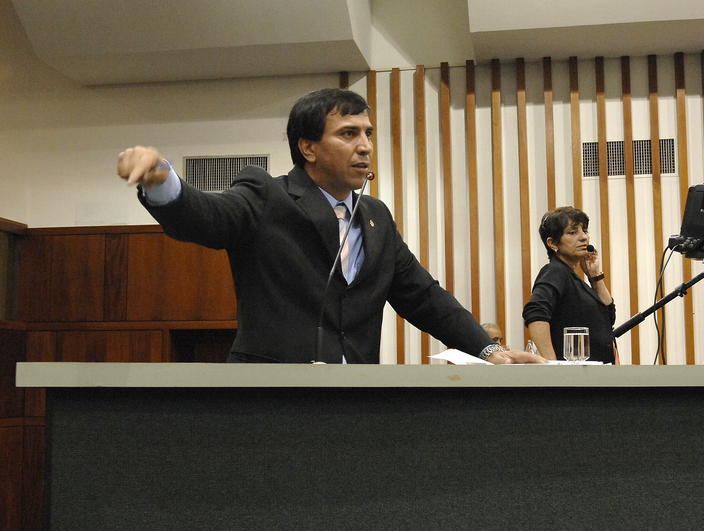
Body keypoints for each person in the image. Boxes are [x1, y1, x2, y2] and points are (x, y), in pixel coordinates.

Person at [117, 88, 546, 365]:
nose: (366, 146)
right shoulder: (267, 194)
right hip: (268, 398)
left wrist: (490, 350)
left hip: (352, 400)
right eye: (348, 134)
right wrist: (162, 181)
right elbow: (208, 218)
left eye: (368, 133)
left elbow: (425, 298)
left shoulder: (376, 216)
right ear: (308, 148)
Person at [522, 207, 618, 364]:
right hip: (573, 372)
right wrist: (551, 364)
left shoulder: (573, 278)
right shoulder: (555, 271)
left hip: (594, 371)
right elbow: (535, 312)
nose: (584, 237)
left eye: (584, 231)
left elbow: (608, 318)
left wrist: (595, 275)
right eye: (572, 232)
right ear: (553, 243)